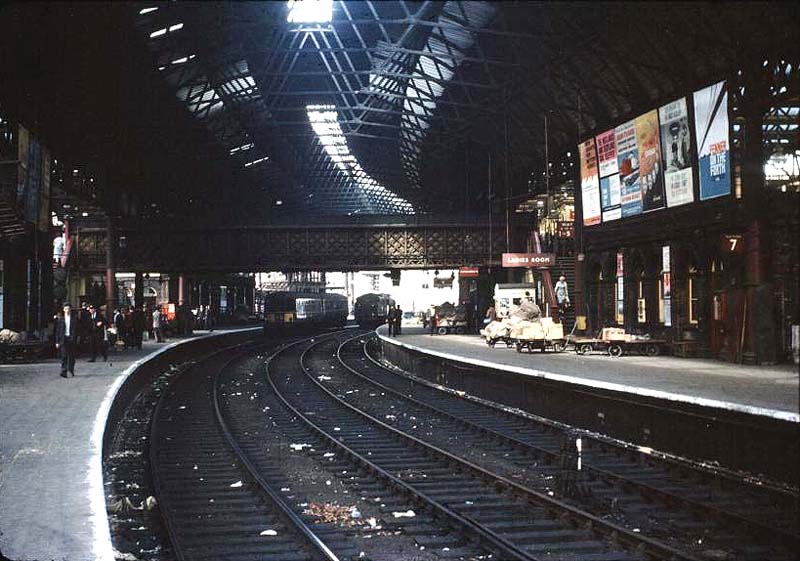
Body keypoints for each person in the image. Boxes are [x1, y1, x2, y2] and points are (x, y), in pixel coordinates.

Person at [55, 303, 79, 378]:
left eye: (68, 309)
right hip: (63, 338)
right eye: (66, 309)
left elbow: (78, 329)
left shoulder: (74, 319)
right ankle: (63, 371)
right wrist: (57, 341)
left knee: (71, 355)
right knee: (64, 355)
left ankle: (71, 369)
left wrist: (77, 338)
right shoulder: (60, 319)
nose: (67, 310)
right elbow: (57, 331)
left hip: (71, 338)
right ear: (63, 310)